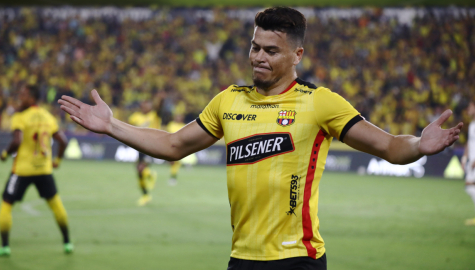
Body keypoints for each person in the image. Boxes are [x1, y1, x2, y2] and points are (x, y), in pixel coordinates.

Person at [58, 7, 463, 270]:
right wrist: (113, 126)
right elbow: (172, 145)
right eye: (255, 47)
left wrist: (418, 146)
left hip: (298, 260)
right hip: (241, 259)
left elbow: (389, 147)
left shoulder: (320, 103)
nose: (258, 57)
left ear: (297, 55)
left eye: (271, 50)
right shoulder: (228, 100)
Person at [0, 85, 73, 257]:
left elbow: (17, 141)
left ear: (32, 98)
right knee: (56, 204)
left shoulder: (20, 116)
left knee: (6, 204)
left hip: (22, 170)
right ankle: (67, 242)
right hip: (44, 169)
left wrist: (4, 154)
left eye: (23, 95)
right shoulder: (48, 116)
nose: (19, 98)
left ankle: (5, 246)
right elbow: (63, 141)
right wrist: (58, 160)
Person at [127, 100, 160, 206]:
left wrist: (161, 99)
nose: (144, 108)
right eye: (143, 106)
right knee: (138, 171)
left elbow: (160, 108)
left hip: (151, 144)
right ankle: (146, 194)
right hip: (140, 145)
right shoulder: (136, 116)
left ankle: (150, 175)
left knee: (141, 168)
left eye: (147, 106)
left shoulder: (154, 115)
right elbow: (129, 126)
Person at [462, 100, 475, 226]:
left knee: (470, 186)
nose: (468, 109)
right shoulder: (472, 124)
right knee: (470, 186)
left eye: (471, 107)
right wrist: (464, 157)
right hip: (471, 161)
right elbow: (469, 143)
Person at [165, 114, 185, 186]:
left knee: (176, 163)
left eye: (180, 117)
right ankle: (173, 177)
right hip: (172, 146)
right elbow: (168, 134)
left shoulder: (184, 126)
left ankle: (173, 177)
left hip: (180, 147)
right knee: (173, 163)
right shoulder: (171, 124)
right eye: (177, 117)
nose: (178, 119)